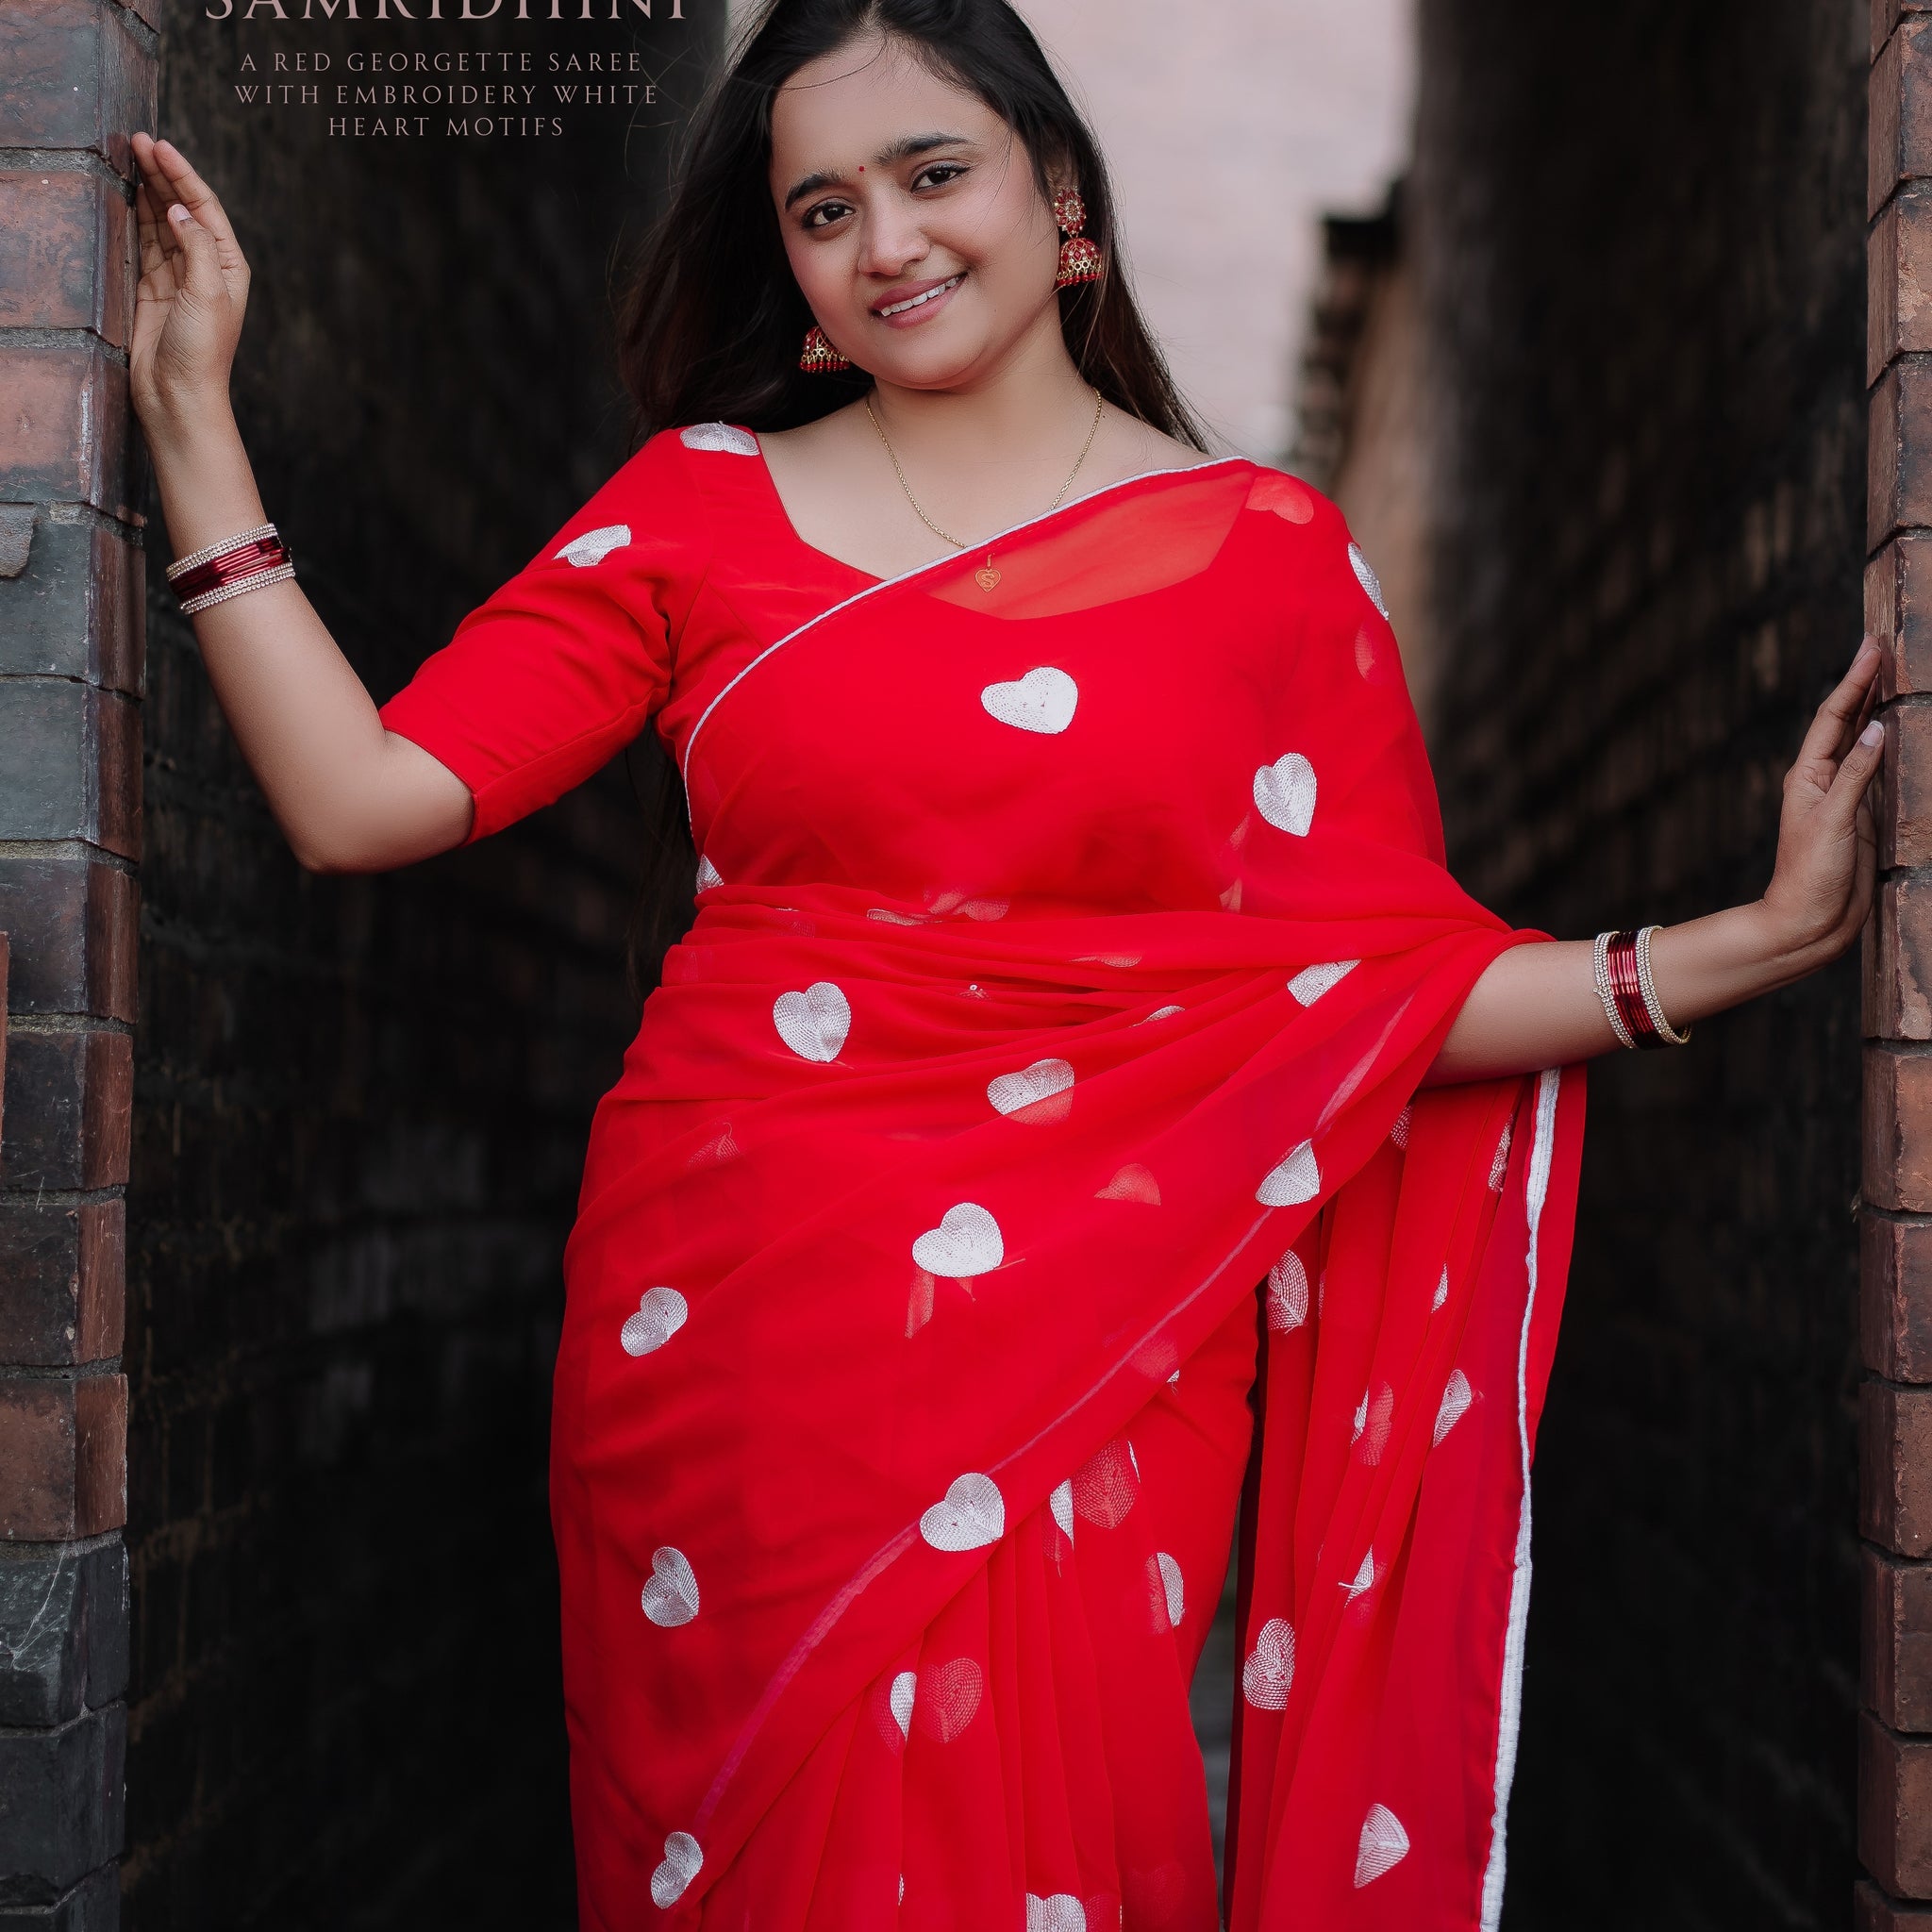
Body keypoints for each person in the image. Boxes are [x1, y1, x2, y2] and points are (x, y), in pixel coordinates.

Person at [126, 1, 1879, 1925]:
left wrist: (1733, 944)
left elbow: (1355, 997)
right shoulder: (695, 510)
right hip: (737, 1317)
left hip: (1103, 1330)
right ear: (787, 272)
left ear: (1066, 214)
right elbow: (364, 796)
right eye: (819, 208)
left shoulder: (1264, 559)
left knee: (1031, 1836)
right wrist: (199, 425)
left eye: (931, 173)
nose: (882, 239)